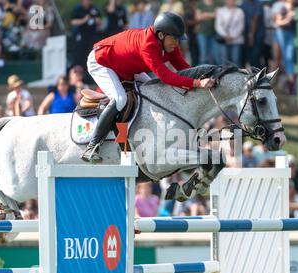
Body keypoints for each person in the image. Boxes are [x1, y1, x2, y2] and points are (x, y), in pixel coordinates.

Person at [82, 11, 216, 163]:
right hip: (102, 61)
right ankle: (92, 146)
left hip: (127, 66)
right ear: (161, 35)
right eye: (175, 39)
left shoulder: (168, 42)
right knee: (120, 99)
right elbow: (165, 76)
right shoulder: (148, 45)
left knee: (153, 91)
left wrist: (203, 78)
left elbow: (183, 68)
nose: (177, 43)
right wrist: (197, 84)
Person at [70, 0, 102, 73]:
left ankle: (90, 73)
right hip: (81, 35)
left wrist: (97, 21)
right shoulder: (78, 9)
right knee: (80, 55)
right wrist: (84, 20)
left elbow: (100, 21)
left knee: (91, 54)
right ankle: (79, 73)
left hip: (92, 35)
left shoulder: (94, 8)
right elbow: (72, 22)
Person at [273, 0, 296, 94]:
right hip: (282, 33)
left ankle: (290, 82)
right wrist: (288, 19)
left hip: (292, 34)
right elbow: (278, 22)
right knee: (284, 58)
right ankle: (289, 82)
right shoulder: (282, 7)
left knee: (289, 57)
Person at [215, 0, 245, 66]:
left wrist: (232, 36)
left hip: (236, 40)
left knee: (236, 60)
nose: (230, 1)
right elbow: (218, 25)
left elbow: (240, 26)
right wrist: (225, 36)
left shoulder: (239, 11)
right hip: (224, 39)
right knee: (224, 61)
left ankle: (237, 76)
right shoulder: (221, 11)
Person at [240, 0, 265, 69]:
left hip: (257, 36)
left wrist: (251, 36)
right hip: (244, 36)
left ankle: (258, 77)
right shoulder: (242, 5)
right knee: (244, 58)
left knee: (255, 58)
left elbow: (255, 19)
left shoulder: (259, 4)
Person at [196, 0, 217, 65]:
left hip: (213, 33)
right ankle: (202, 73)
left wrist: (205, 14)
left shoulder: (216, 3)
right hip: (202, 33)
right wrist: (212, 14)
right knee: (203, 55)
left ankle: (212, 72)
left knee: (213, 56)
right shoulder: (200, 3)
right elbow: (198, 17)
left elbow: (217, 15)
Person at [185, 0, 200, 66]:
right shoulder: (188, 12)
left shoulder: (199, 11)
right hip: (191, 36)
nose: (194, 3)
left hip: (198, 36)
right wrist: (198, 21)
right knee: (193, 55)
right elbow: (187, 23)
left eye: (195, 2)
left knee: (200, 55)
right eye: (192, 2)